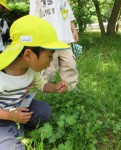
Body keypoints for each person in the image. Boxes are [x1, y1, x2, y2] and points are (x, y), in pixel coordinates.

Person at [0, 15, 69, 149]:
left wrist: (54, 87)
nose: (50, 63)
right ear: (28, 55)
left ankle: (18, 124)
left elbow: (41, 84)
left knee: (44, 110)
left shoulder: (31, 69)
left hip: (18, 107)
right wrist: (10, 115)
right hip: (2, 116)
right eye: (49, 56)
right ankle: (10, 131)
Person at [29, 0, 79, 91]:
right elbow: (33, 19)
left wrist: (74, 30)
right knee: (48, 68)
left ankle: (71, 88)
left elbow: (68, 15)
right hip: (48, 41)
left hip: (65, 39)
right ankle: (45, 90)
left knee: (70, 65)